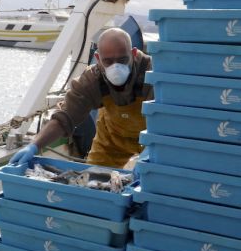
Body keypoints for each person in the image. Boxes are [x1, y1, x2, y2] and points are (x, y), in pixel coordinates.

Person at [11, 28, 153, 168]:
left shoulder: (154, 75)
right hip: (112, 140)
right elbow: (65, 117)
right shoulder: (91, 79)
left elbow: (170, 122)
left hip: (154, 140)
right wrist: (34, 145)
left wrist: (151, 154)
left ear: (133, 54)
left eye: (122, 60)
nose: (116, 68)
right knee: (94, 180)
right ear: (97, 59)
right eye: (108, 61)